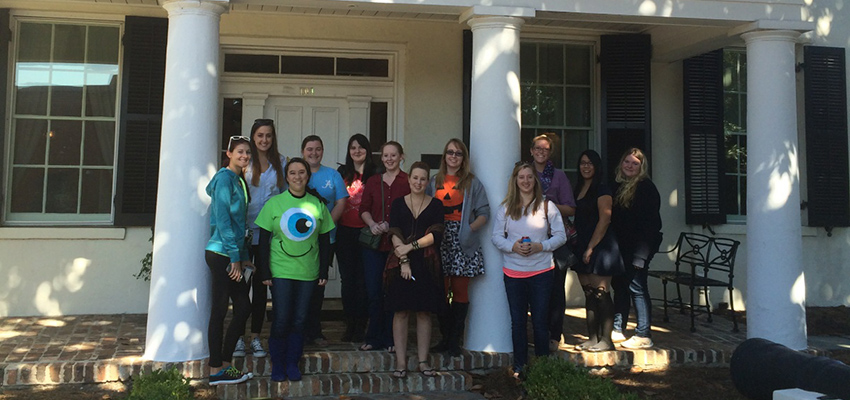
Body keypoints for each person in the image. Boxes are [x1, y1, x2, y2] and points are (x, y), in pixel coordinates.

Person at [255, 158, 334, 382]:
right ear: (286, 177)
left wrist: (324, 271)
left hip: (308, 271)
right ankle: (277, 363)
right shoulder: (274, 203)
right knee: (281, 318)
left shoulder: (317, 204)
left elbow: (326, 240)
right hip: (281, 271)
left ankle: (292, 362)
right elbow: (263, 240)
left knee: (300, 319)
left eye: (302, 173)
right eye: (292, 173)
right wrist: (265, 272)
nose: (297, 177)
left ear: (307, 176)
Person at [491, 162, 566, 377]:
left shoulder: (546, 206)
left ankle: (542, 367)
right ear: (515, 180)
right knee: (518, 322)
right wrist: (512, 246)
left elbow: (560, 236)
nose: (525, 181)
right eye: (521, 177)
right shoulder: (506, 208)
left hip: (541, 271)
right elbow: (496, 237)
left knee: (540, 321)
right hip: (513, 273)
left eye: (529, 177)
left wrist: (541, 246)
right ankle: (520, 366)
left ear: (535, 180)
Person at [427, 139, 489, 357]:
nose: (453, 156)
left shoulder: (472, 183)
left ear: (464, 159)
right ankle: (444, 337)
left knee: (460, 291)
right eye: (450, 152)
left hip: (463, 241)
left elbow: (484, 212)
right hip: (439, 240)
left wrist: (469, 229)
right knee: (441, 290)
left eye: (458, 153)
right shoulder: (435, 182)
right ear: (444, 156)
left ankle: (455, 340)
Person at [387, 162, 446, 378]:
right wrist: (403, 259)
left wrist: (410, 248)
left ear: (427, 181)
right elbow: (393, 232)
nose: (418, 182)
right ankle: (401, 363)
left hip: (427, 263)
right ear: (409, 179)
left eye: (423, 179)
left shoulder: (437, 205)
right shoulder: (397, 204)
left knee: (424, 312)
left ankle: (423, 361)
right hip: (400, 263)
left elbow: (436, 235)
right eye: (415, 178)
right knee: (401, 311)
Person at [204, 135, 254, 385]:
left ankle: (223, 364)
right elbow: (223, 220)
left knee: (243, 307)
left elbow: (240, 223)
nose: (244, 156)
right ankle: (215, 369)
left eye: (247, 153)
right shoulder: (225, 179)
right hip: (221, 254)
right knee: (220, 309)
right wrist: (234, 258)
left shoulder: (239, 179)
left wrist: (243, 258)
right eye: (240, 152)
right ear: (229, 153)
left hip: (233, 253)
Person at [235, 119, 287, 359]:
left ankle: (255, 337)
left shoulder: (282, 163)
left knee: (261, 288)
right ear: (252, 137)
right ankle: (237, 336)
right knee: (241, 289)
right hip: (245, 235)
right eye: (259, 135)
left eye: (268, 135)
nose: (264, 140)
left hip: (269, 236)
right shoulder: (245, 162)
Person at [358, 141, 410, 352]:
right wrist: (372, 224)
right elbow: (364, 208)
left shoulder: (407, 181)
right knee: (373, 292)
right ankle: (373, 337)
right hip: (374, 245)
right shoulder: (372, 181)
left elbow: (413, 210)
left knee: (393, 292)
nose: (389, 159)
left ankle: (391, 338)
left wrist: (395, 226)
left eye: (393, 155)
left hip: (397, 247)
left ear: (401, 157)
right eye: (386, 155)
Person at [571, 150, 624, 352]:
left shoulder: (602, 190)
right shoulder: (578, 188)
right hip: (581, 244)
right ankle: (592, 338)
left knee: (602, 293)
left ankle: (607, 340)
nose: (586, 166)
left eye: (590, 163)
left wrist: (591, 247)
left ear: (597, 166)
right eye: (582, 163)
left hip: (601, 247)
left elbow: (605, 220)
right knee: (589, 294)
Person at [528, 133, 577, 351]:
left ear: (550, 153)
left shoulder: (559, 177)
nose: (541, 152)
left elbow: (571, 208)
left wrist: (548, 205)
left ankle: (555, 335)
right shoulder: (524, 174)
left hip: (555, 240)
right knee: (534, 288)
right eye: (537, 148)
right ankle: (537, 332)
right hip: (530, 238)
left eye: (545, 149)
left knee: (556, 289)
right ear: (531, 151)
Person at [611, 148, 662, 349]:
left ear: (642, 167)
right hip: (621, 248)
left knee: (637, 288)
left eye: (635, 163)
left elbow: (651, 225)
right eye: (627, 162)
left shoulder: (646, 188)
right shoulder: (618, 186)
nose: (630, 166)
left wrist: (641, 256)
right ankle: (617, 328)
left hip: (639, 248)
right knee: (620, 286)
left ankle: (643, 334)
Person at [300, 135, 349, 346]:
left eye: (318, 149)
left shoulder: (332, 174)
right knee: (302, 284)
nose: (314, 153)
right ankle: (300, 330)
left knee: (319, 284)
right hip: (299, 240)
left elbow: (341, 202)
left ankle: (315, 330)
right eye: (309, 149)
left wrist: (324, 226)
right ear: (303, 152)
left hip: (326, 238)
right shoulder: (297, 173)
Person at [336, 134, 378, 342]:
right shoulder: (342, 173)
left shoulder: (375, 174)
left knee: (364, 281)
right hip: (344, 232)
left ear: (367, 150)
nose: (357, 151)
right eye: (353, 147)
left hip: (367, 232)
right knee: (348, 280)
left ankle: (362, 325)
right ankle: (350, 324)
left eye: (361, 147)